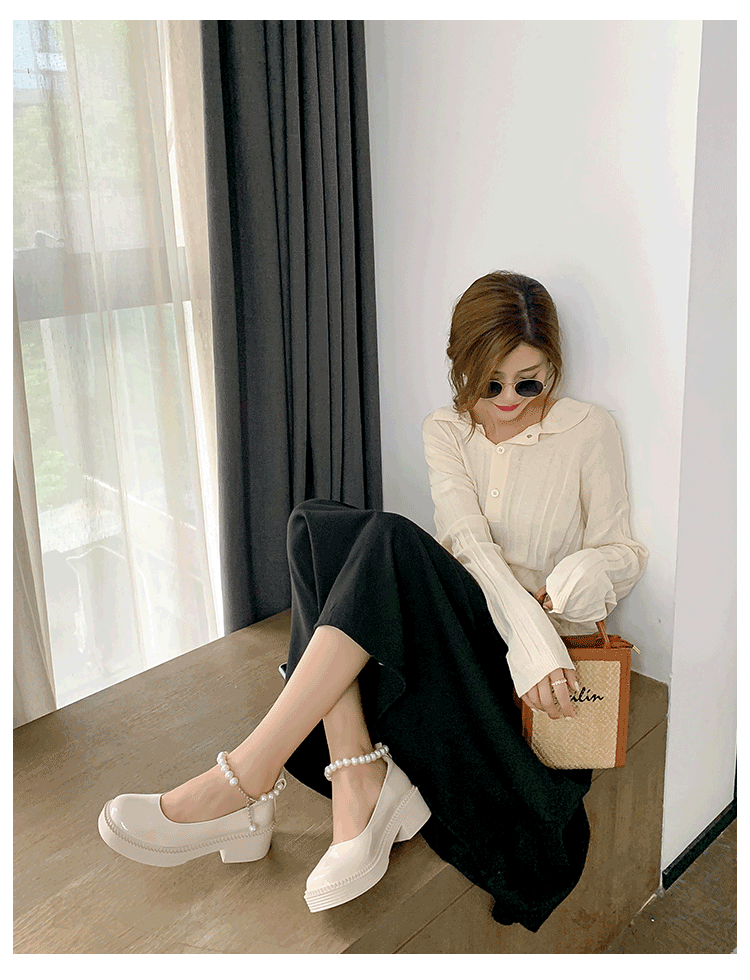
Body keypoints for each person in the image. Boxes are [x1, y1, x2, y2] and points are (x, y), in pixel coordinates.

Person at [98, 270, 648, 933]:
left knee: (385, 538)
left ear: (552, 368)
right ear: (462, 370)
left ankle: (249, 780)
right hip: (470, 632)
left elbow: (624, 551)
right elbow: (469, 546)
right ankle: (356, 781)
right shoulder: (447, 429)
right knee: (313, 525)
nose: (507, 401)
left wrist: (577, 582)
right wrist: (526, 630)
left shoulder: (588, 430)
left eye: (528, 383)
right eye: (488, 383)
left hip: (529, 685)